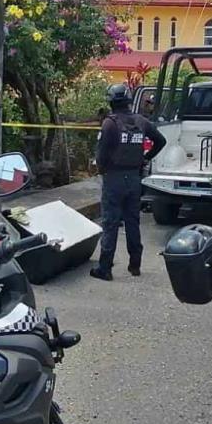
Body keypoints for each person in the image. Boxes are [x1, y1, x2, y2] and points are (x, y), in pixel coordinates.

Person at [90, 84, 166, 281]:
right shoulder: (141, 121)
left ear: (111, 101)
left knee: (110, 223)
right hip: (134, 178)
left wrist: (104, 170)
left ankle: (105, 268)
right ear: (129, 100)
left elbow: (101, 157)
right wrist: (146, 158)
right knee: (133, 222)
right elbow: (161, 141)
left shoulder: (109, 124)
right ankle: (135, 265)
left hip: (114, 178)